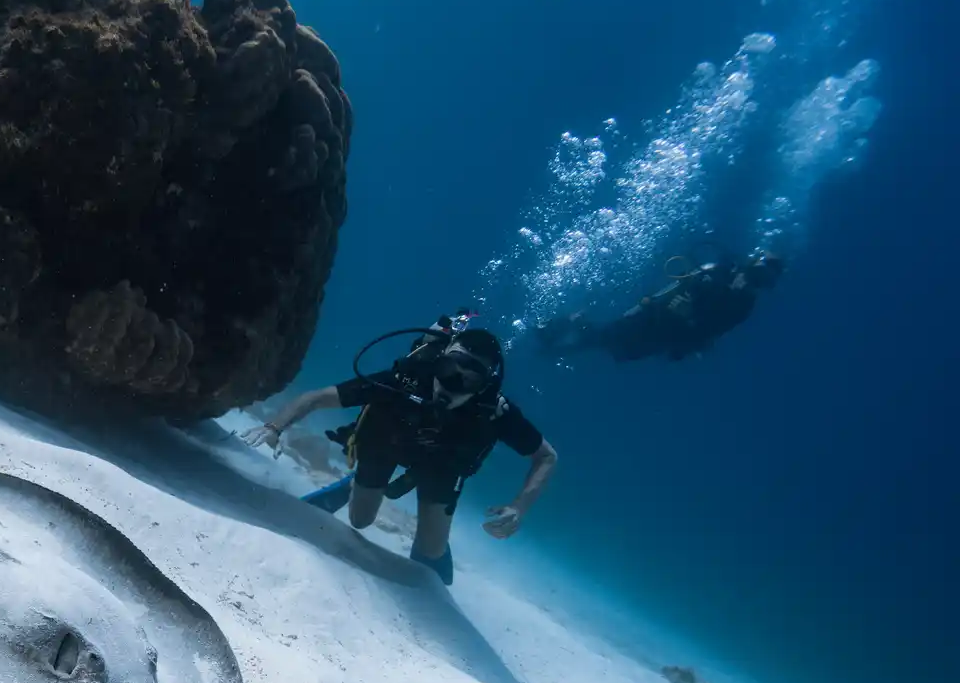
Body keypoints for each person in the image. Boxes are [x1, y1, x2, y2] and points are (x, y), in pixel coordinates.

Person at [242, 327, 558, 586]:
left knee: (430, 552)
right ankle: (353, 486)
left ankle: (420, 529)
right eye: (449, 369)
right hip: (385, 441)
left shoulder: (494, 413)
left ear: (484, 388)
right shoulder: (404, 379)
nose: (452, 383)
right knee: (360, 520)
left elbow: (546, 457)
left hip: (443, 464)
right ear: (439, 361)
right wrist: (274, 426)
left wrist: (519, 507)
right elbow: (317, 398)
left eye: (469, 379)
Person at [533, 249, 785, 363]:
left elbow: (715, 332)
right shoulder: (719, 272)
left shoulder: (744, 306)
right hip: (654, 317)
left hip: (670, 336)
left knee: (614, 349)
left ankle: (558, 340)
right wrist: (648, 305)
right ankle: (560, 330)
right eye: (759, 272)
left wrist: (688, 342)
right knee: (604, 338)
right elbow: (677, 286)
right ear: (753, 263)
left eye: (765, 280)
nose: (756, 281)